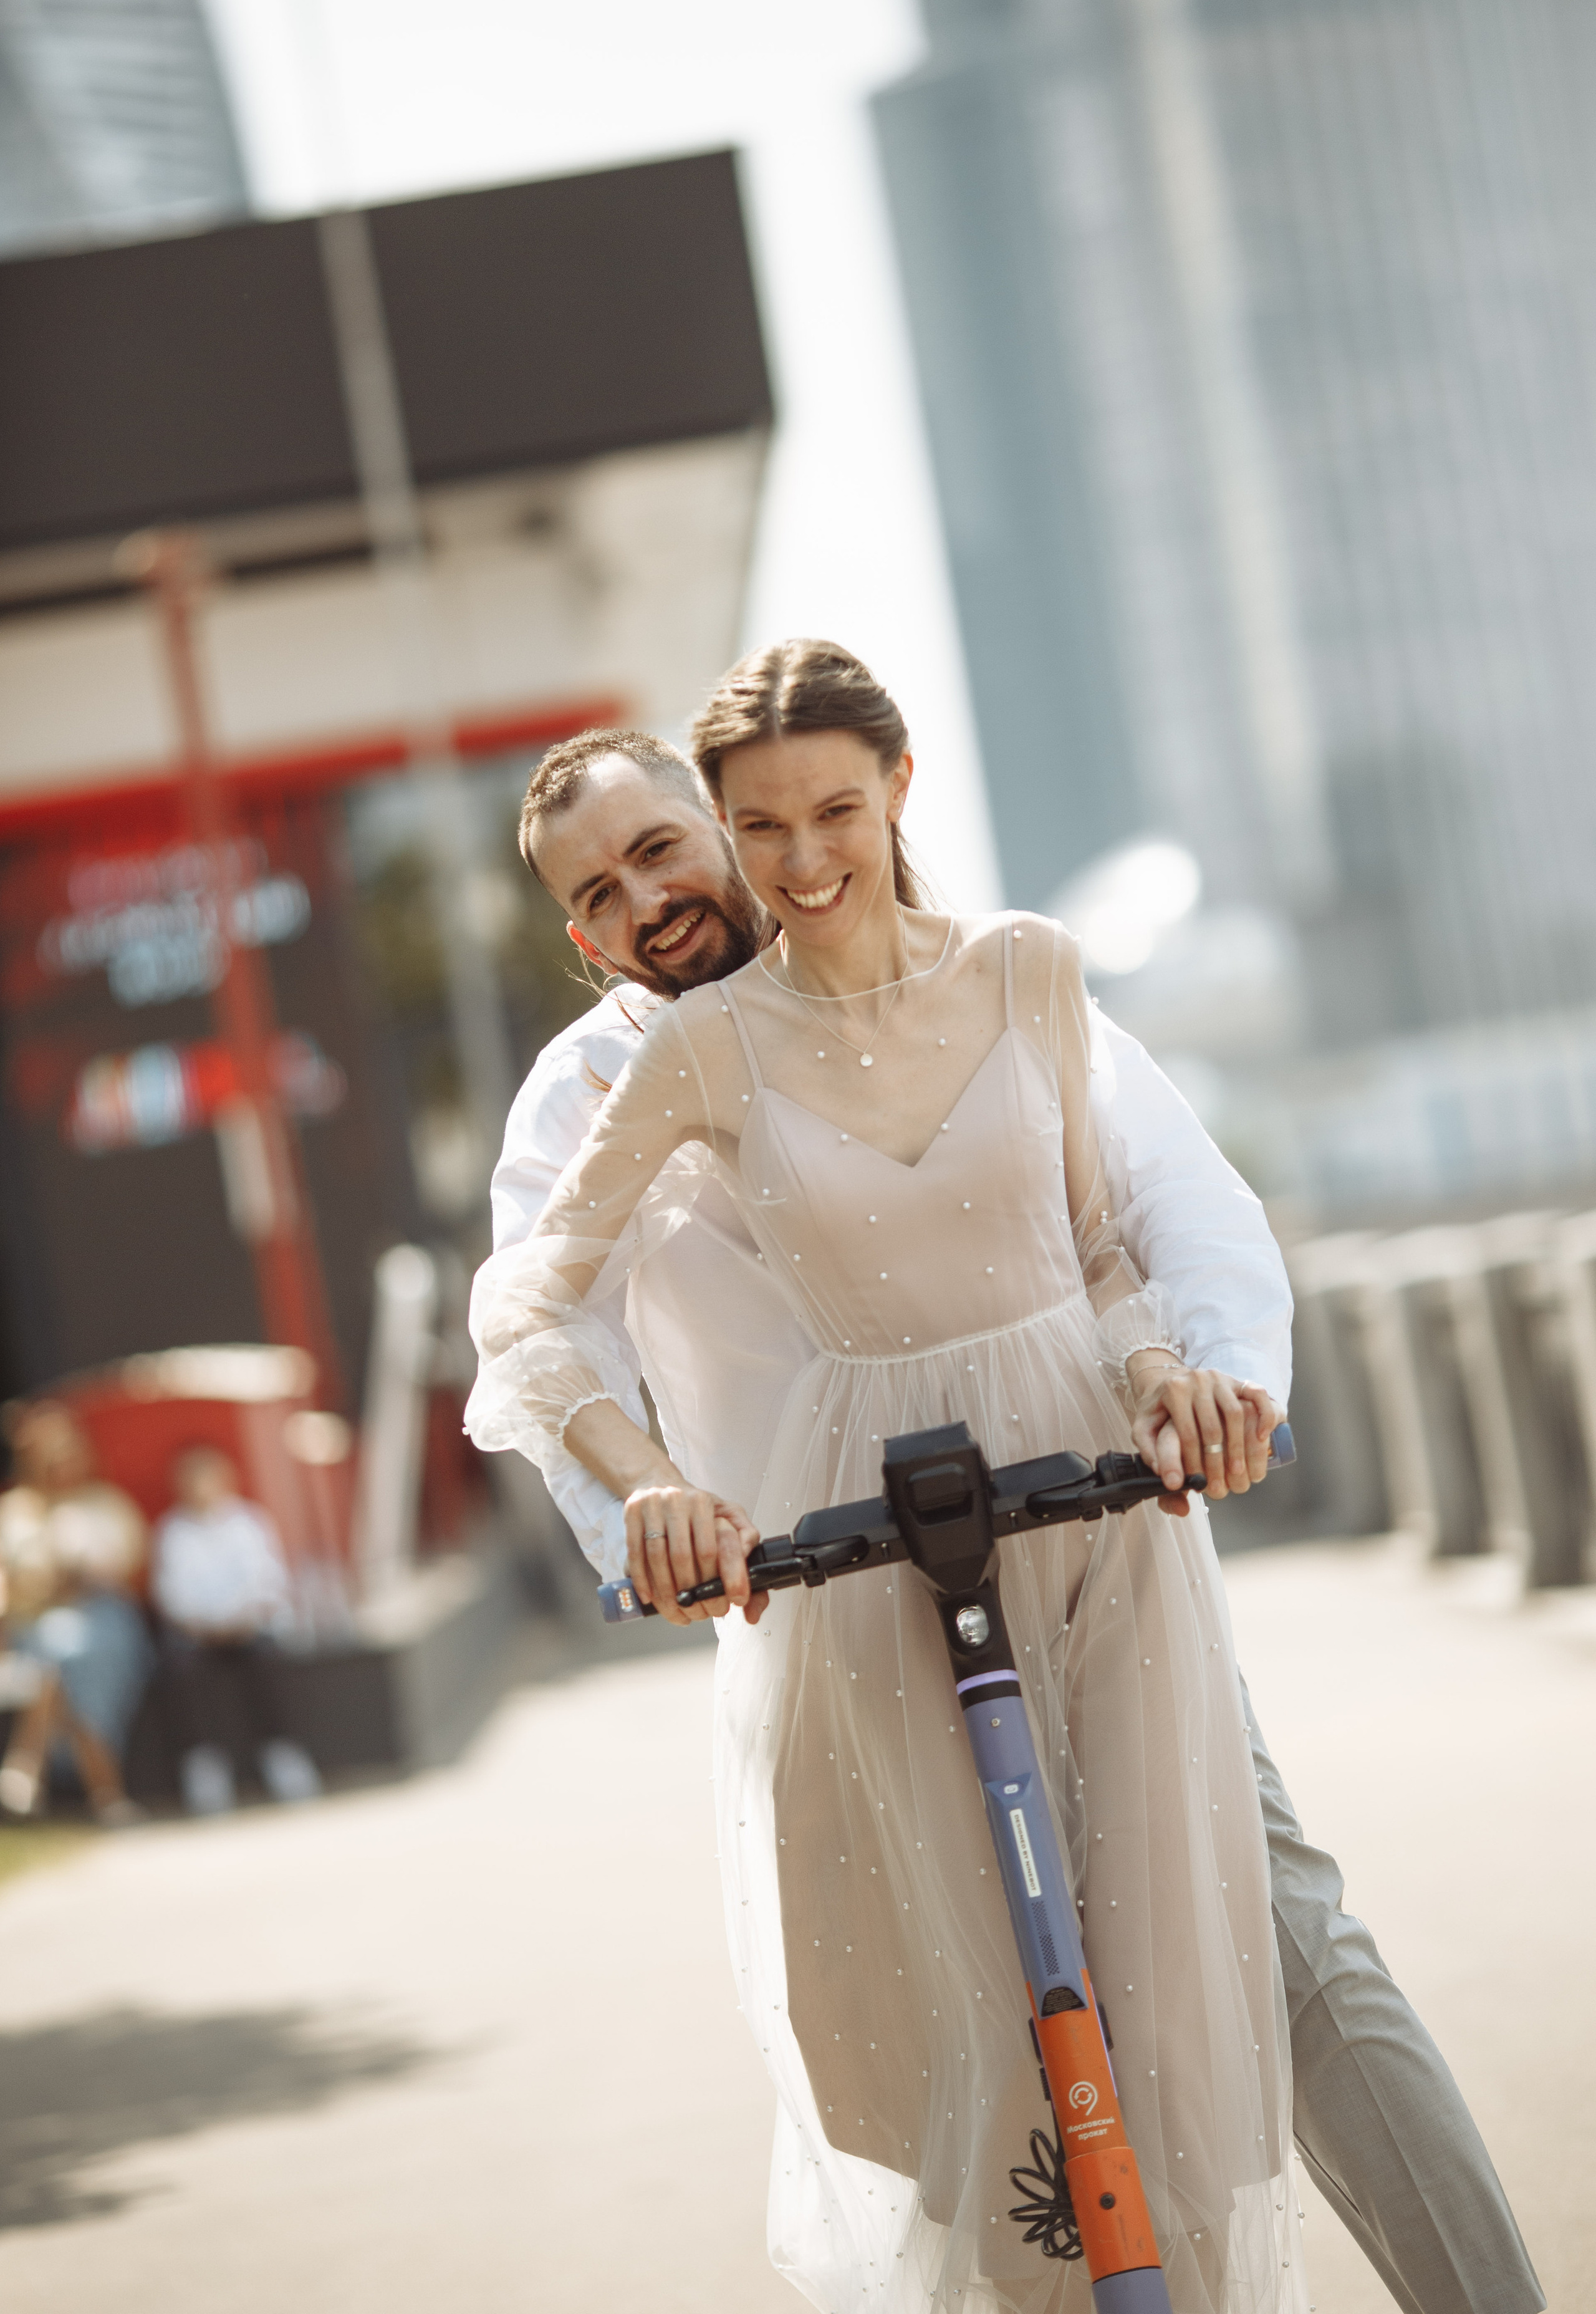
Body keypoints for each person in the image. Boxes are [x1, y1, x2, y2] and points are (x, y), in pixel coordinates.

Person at [471, 655, 1541, 2314]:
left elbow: (1148, 1203)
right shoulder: (596, 1091)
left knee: (1281, 1936)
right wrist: (649, 1516)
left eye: (670, 848)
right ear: (580, 938)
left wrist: (1212, 1381)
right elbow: (553, 1339)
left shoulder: (996, 977)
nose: (656, 898)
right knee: (958, 2055)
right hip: (835, 1603)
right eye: (602, 894)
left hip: (1079, 1532)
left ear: (735, 825)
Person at [0, 1402, 151, 1825]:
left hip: (105, 1622)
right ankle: (109, 1797)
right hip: (36, 1626)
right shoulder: (15, 1511)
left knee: (67, 1653)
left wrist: (91, 1574)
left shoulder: (105, 1503)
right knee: (61, 1652)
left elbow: (134, 1570)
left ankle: (26, 1763)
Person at [150, 1445, 321, 1818]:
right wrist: (204, 1625)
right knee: (181, 1671)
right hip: (197, 1635)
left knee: (268, 1660)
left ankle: (283, 1754)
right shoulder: (171, 1532)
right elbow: (171, 1595)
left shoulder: (249, 1522)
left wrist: (240, 1619)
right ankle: (205, 1766)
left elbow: (267, 1581)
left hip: (249, 1628)